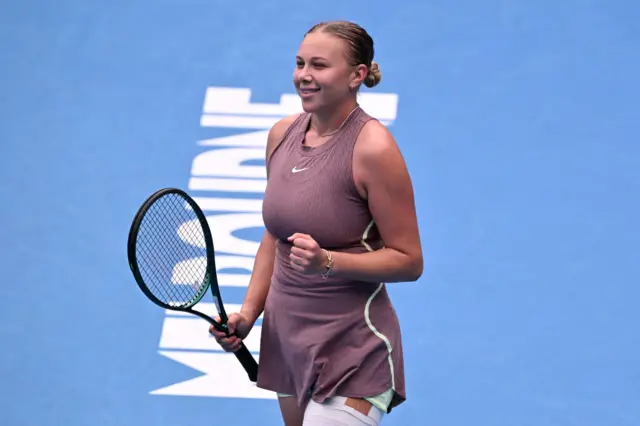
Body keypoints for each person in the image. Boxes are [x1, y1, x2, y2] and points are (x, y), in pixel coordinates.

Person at [210, 20, 423, 426]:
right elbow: (275, 237)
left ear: (357, 75)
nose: (304, 76)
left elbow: (410, 260)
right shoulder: (282, 134)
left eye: (320, 66)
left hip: (352, 347)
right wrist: (248, 314)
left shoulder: (374, 150)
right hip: (287, 342)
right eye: (300, 63)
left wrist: (329, 261)